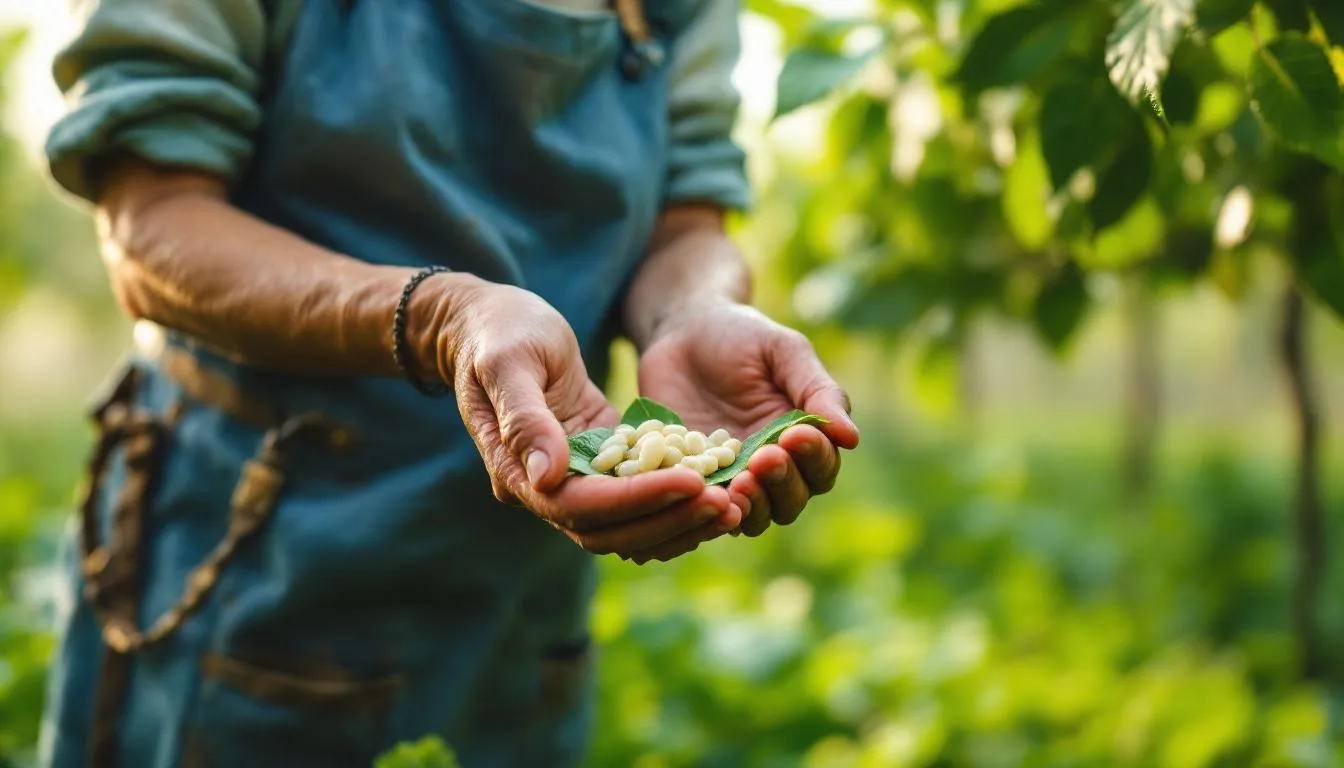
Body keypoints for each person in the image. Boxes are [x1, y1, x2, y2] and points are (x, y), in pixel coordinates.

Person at [37, 0, 860, 765]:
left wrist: (693, 308)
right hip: (259, 551)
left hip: (518, 587)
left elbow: (687, 224)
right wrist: (441, 317)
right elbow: (154, 218)